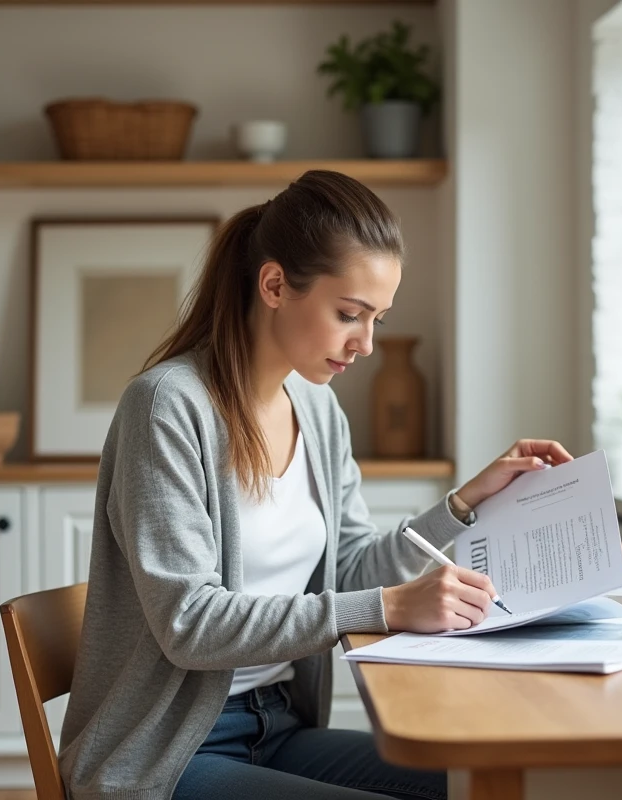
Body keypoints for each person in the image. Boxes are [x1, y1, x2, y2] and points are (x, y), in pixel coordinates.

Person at [57, 169, 573, 800]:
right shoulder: (167, 406)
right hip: (167, 749)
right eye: (349, 315)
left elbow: (350, 567)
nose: (366, 343)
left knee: (481, 784)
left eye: (377, 318)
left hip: (277, 726)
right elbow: (188, 622)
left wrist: (465, 502)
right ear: (274, 284)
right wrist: (389, 608)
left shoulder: (318, 409)